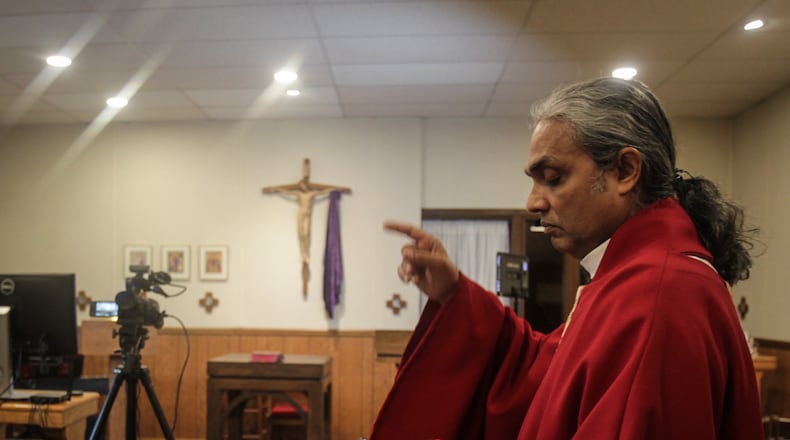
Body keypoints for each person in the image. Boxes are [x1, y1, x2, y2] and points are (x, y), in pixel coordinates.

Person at [372, 78, 763, 439]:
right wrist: (456, 293)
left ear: (624, 171)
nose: (533, 201)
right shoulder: (634, 280)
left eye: (553, 178)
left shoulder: (657, 295)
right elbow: (543, 369)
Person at [262, 158, 350, 295]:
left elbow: (324, 191)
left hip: (308, 215)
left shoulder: (312, 194)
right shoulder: (298, 194)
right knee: (301, 235)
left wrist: (338, 189)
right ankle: (304, 256)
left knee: (306, 234)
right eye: (302, 184)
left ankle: (306, 257)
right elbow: (286, 192)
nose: (304, 186)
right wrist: (274, 189)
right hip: (301, 214)